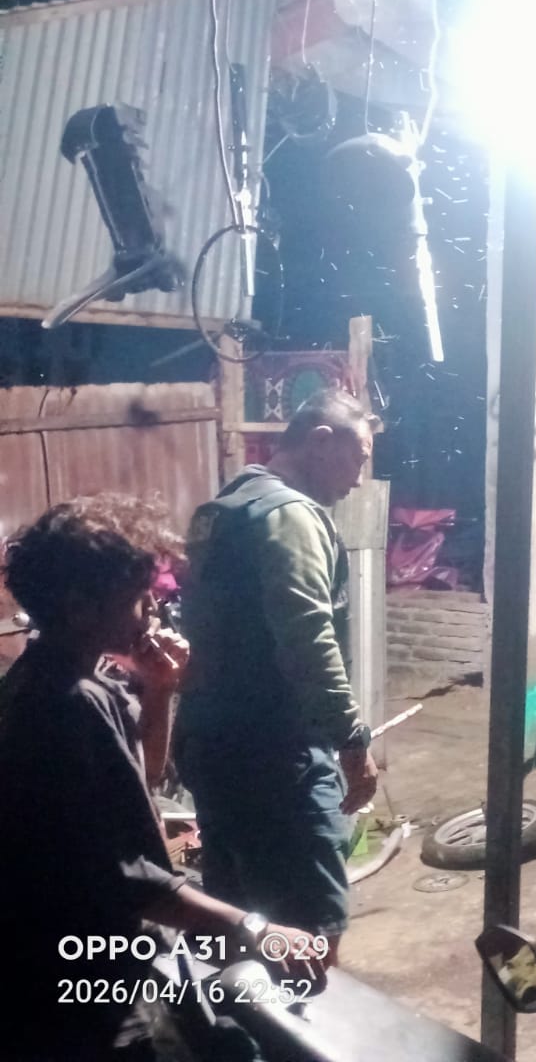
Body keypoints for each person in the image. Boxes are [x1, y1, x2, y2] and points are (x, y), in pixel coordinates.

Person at [0, 496, 325, 1061]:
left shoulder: (49, 679)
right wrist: (257, 928)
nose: (152, 608)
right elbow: (127, 875)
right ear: (80, 607)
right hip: (84, 997)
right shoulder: (67, 703)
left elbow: (139, 784)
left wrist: (158, 690)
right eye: (137, 596)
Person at [174, 389, 378, 965]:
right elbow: (307, 637)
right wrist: (352, 740)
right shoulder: (288, 515)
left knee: (238, 919)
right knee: (309, 935)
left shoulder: (224, 508)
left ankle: (240, 1015)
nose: (359, 478)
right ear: (320, 441)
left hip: (213, 747)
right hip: (278, 755)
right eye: (358, 458)